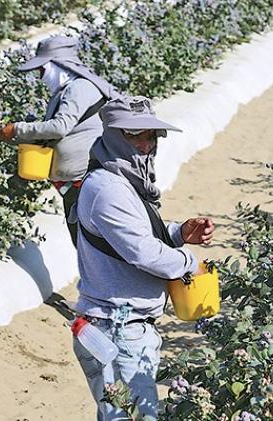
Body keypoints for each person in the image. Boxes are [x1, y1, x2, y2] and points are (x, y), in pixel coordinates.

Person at [72, 95, 215, 420]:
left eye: (150, 135)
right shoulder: (107, 189)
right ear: (110, 135)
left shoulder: (121, 179)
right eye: (133, 134)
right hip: (116, 330)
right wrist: (190, 263)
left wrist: (178, 233)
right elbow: (144, 252)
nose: (145, 143)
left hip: (123, 328)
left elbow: (133, 233)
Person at [0, 35, 119, 247]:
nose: (40, 76)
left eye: (42, 70)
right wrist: (0, 135)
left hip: (86, 184)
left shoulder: (80, 88)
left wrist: (17, 128)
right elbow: (48, 135)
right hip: (74, 186)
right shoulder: (65, 91)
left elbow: (59, 127)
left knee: (94, 247)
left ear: (57, 65)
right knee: (86, 245)